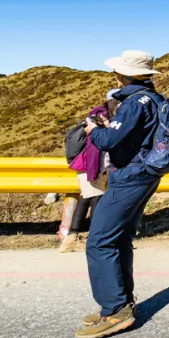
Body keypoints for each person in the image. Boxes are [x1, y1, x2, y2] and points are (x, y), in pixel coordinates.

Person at [77, 50, 166, 338]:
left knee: (99, 241)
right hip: (147, 173)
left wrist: (93, 130)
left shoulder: (132, 103)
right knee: (120, 238)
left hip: (129, 176)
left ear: (122, 74)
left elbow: (107, 141)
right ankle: (120, 303)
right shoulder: (154, 99)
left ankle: (116, 309)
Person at [60, 93, 118, 253]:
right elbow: (106, 139)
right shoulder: (100, 117)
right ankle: (95, 240)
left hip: (92, 167)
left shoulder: (100, 114)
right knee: (97, 201)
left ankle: (70, 240)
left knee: (86, 200)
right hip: (90, 167)